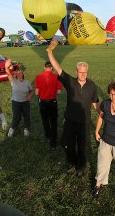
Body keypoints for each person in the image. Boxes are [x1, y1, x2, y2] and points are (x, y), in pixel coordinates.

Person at [46, 40, 100, 177]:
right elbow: (58, 68)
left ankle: (80, 167)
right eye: (80, 72)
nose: (83, 74)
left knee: (82, 146)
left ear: (87, 72)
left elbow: (95, 102)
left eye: (85, 72)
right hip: (70, 119)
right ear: (76, 71)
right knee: (65, 143)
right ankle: (71, 160)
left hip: (84, 121)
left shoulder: (92, 85)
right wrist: (50, 53)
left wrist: (103, 114)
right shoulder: (70, 82)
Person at [34, 61, 63, 150]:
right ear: (52, 68)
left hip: (43, 102)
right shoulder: (56, 77)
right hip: (52, 102)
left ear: (44, 67)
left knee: (45, 120)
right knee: (53, 122)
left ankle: (48, 136)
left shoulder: (38, 77)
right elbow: (59, 91)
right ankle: (53, 144)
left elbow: (36, 93)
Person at [5, 59, 33, 137]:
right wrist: (6, 67)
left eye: (20, 73)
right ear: (16, 75)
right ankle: (12, 129)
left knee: (27, 116)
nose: (19, 74)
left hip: (25, 102)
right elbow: (8, 74)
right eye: (17, 73)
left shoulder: (27, 82)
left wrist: (30, 95)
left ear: (23, 74)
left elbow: (31, 91)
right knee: (17, 117)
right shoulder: (13, 81)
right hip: (16, 102)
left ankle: (26, 129)